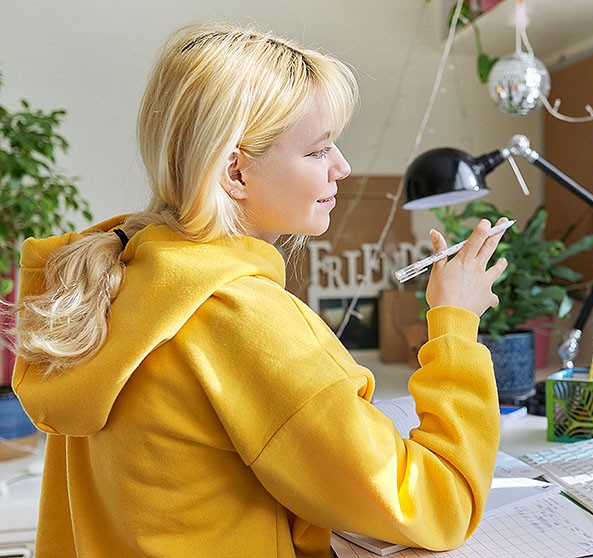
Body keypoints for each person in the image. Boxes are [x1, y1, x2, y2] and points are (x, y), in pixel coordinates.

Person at [9, 21, 509, 557]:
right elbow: (439, 503)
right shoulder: (243, 319)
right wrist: (455, 321)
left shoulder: (116, 280)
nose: (342, 166)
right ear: (236, 173)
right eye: (319, 151)